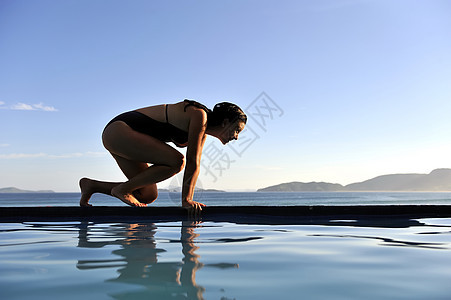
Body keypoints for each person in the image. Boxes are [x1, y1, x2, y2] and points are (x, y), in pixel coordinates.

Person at [79, 99, 247, 214]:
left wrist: (187, 199)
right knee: (176, 161)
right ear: (225, 122)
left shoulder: (202, 133)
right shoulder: (199, 115)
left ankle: (92, 185)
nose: (236, 136)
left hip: (122, 138)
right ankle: (122, 190)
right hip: (119, 131)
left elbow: (196, 165)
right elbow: (190, 163)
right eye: (237, 130)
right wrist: (187, 200)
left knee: (147, 195)